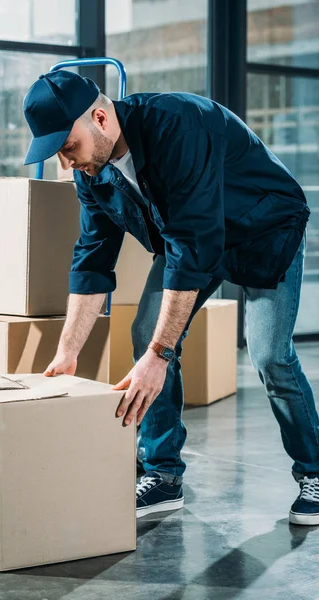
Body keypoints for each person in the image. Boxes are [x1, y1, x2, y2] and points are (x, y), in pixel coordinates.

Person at [23, 70, 319, 525]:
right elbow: (92, 261)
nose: (67, 163)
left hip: (264, 228)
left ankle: (315, 471)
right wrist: (66, 354)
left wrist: (161, 354)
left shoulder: (180, 125)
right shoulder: (93, 171)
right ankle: (163, 474)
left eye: (68, 147)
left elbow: (193, 243)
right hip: (190, 239)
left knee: (269, 354)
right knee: (144, 332)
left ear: (100, 118)